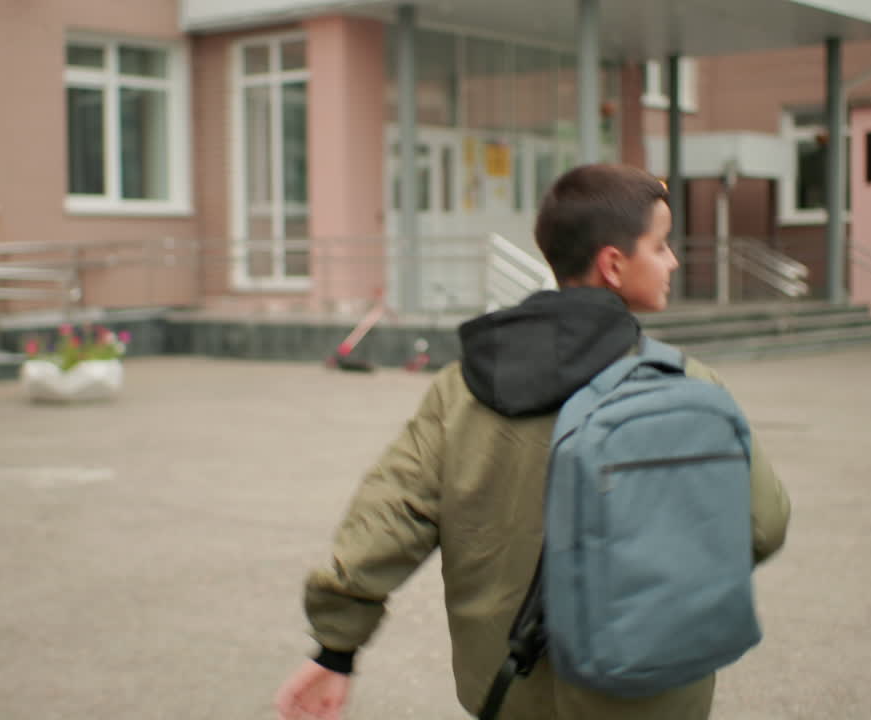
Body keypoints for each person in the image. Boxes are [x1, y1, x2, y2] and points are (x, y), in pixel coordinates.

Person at [274, 163, 791, 720]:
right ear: (613, 265)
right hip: (647, 692)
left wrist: (336, 648)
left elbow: (389, 519)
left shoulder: (461, 388)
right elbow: (764, 523)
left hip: (508, 692)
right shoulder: (686, 385)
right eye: (661, 246)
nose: (673, 261)